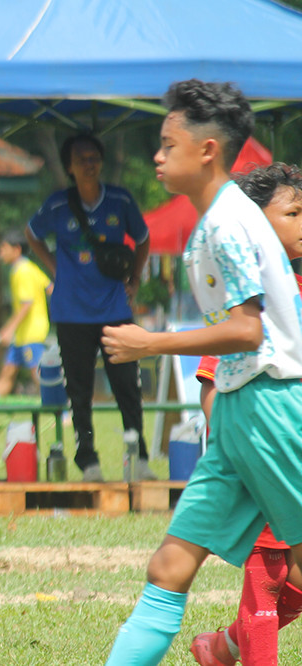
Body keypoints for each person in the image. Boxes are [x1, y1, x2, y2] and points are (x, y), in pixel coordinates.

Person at [101, 79, 302, 665]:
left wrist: (151, 342)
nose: (157, 156)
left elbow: (247, 330)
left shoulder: (228, 224)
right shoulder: (216, 220)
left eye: (168, 144)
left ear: (207, 149)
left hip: (272, 406)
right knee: (168, 566)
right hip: (241, 412)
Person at [187, 163, 302, 666]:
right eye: (293, 213)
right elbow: (213, 382)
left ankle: (224, 646)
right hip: (266, 455)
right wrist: (244, 451)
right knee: (267, 579)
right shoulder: (248, 296)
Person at [25, 132, 152, 482]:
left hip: (115, 311)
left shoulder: (120, 200)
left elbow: (142, 240)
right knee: (79, 392)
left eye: (94, 156)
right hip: (71, 313)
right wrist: (55, 268)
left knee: (127, 387)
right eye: (81, 158)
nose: (89, 163)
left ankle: (138, 458)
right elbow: (31, 233)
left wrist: (136, 279)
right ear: (69, 166)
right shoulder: (56, 205)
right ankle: (88, 461)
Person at [0, 230, 51, 398]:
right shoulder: (31, 268)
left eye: (4, 248)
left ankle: (63, 413)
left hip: (31, 333)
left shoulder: (22, 272)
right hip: (22, 335)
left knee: (38, 374)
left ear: (17, 249)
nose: (1, 253)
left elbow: (27, 304)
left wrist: (9, 328)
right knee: (7, 372)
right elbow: (50, 288)